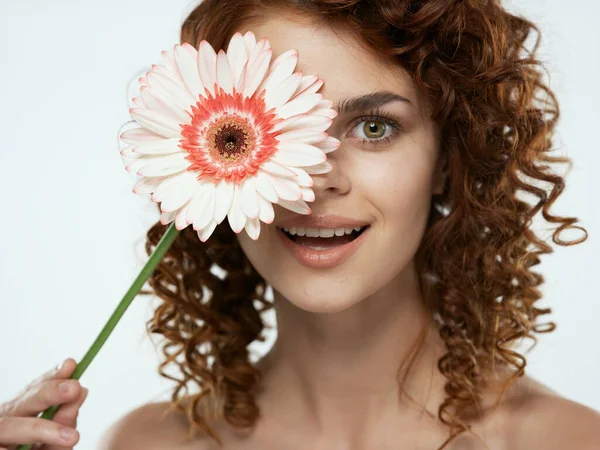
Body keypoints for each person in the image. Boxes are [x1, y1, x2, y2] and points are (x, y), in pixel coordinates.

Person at [2, 0, 599, 449]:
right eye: (283, 133)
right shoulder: (143, 445)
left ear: (448, 158)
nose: (314, 179)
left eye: (372, 128)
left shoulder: (567, 441)